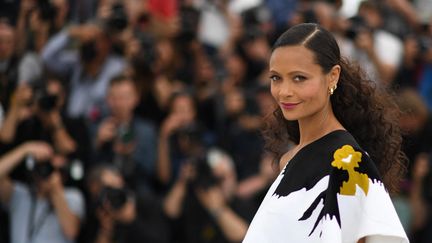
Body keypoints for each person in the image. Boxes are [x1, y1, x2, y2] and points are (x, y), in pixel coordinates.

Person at [242, 23, 408, 243]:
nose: (284, 91)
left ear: (333, 76)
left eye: (299, 78)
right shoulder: (288, 160)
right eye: (276, 78)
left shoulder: (349, 163)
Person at [0, 141, 85, 243]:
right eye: (47, 168)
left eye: (59, 170)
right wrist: (25, 149)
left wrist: (56, 190)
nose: (52, 174)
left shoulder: (73, 196)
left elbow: (71, 232)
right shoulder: (19, 195)